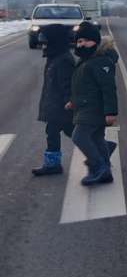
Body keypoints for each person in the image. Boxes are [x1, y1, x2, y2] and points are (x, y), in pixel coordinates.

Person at [66, 22, 119, 187]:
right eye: (79, 41)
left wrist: (111, 112)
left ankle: (98, 166)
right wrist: (73, 102)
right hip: (85, 106)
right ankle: (105, 172)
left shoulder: (101, 62)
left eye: (86, 41)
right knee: (96, 138)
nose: (82, 44)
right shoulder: (86, 60)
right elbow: (82, 86)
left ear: (95, 41)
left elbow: (108, 89)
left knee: (79, 136)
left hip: (95, 108)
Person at [31, 24, 76, 176]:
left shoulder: (63, 60)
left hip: (61, 107)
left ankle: (101, 150)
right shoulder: (55, 57)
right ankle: (53, 164)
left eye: (46, 42)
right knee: (59, 132)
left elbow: (67, 85)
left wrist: (69, 102)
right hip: (55, 105)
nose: (43, 45)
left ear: (55, 41)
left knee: (72, 133)